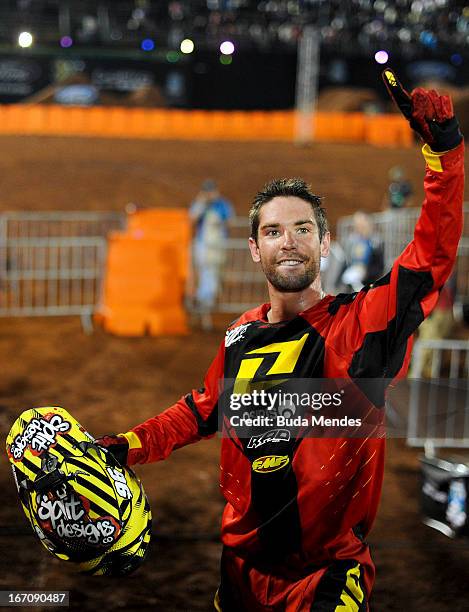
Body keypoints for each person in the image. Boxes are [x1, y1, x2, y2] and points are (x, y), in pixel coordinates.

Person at [96, 71, 464, 610]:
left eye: (302, 229)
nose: (287, 242)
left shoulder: (361, 325)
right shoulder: (241, 335)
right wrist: (126, 446)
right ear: (253, 248)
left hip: (325, 583)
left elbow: (430, 258)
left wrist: (445, 157)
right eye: (272, 231)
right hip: (239, 578)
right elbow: (202, 409)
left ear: (324, 241)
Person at [189, 179, 234, 327]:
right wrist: (202, 204)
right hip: (203, 247)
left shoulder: (222, 204)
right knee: (208, 277)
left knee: (215, 277)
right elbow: (192, 220)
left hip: (218, 247)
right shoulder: (199, 205)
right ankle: (204, 313)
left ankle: (202, 309)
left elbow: (230, 221)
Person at [341, 211, 384, 292]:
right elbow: (346, 262)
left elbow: (379, 266)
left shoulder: (376, 242)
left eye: (361, 224)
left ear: (368, 224)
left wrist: (366, 272)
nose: (358, 227)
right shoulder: (352, 242)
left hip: (370, 284)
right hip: (352, 283)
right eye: (356, 224)